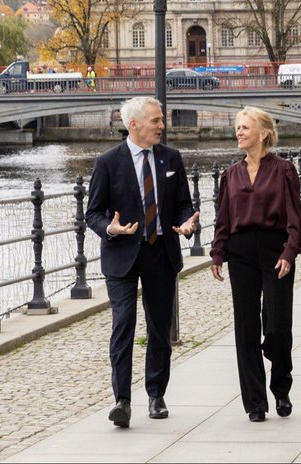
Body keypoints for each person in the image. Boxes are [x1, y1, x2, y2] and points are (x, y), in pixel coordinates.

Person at [85, 96, 199, 428]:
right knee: (124, 324)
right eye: (155, 120)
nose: (162, 126)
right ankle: (122, 400)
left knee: (159, 327)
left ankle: (156, 395)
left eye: (161, 120)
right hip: (122, 253)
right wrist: (110, 228)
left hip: (160, 252)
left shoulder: (171, 159)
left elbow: (183, 205)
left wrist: (188, 224)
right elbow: (92, 212)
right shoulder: (108, 162)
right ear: (133, 124)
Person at [210, 107, 301, 422]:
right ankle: (254, 402)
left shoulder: (284, 170)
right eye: (237, 127)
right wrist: (217, 253)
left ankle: (281, 386)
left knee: (277, 326)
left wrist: (290, 252)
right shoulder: (230, 174)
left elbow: (295, 216)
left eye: (245, 127)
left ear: (263, 132)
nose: (239, 132)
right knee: (246, 328)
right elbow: (223, 217)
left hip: (275, 251)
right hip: (240, 254)